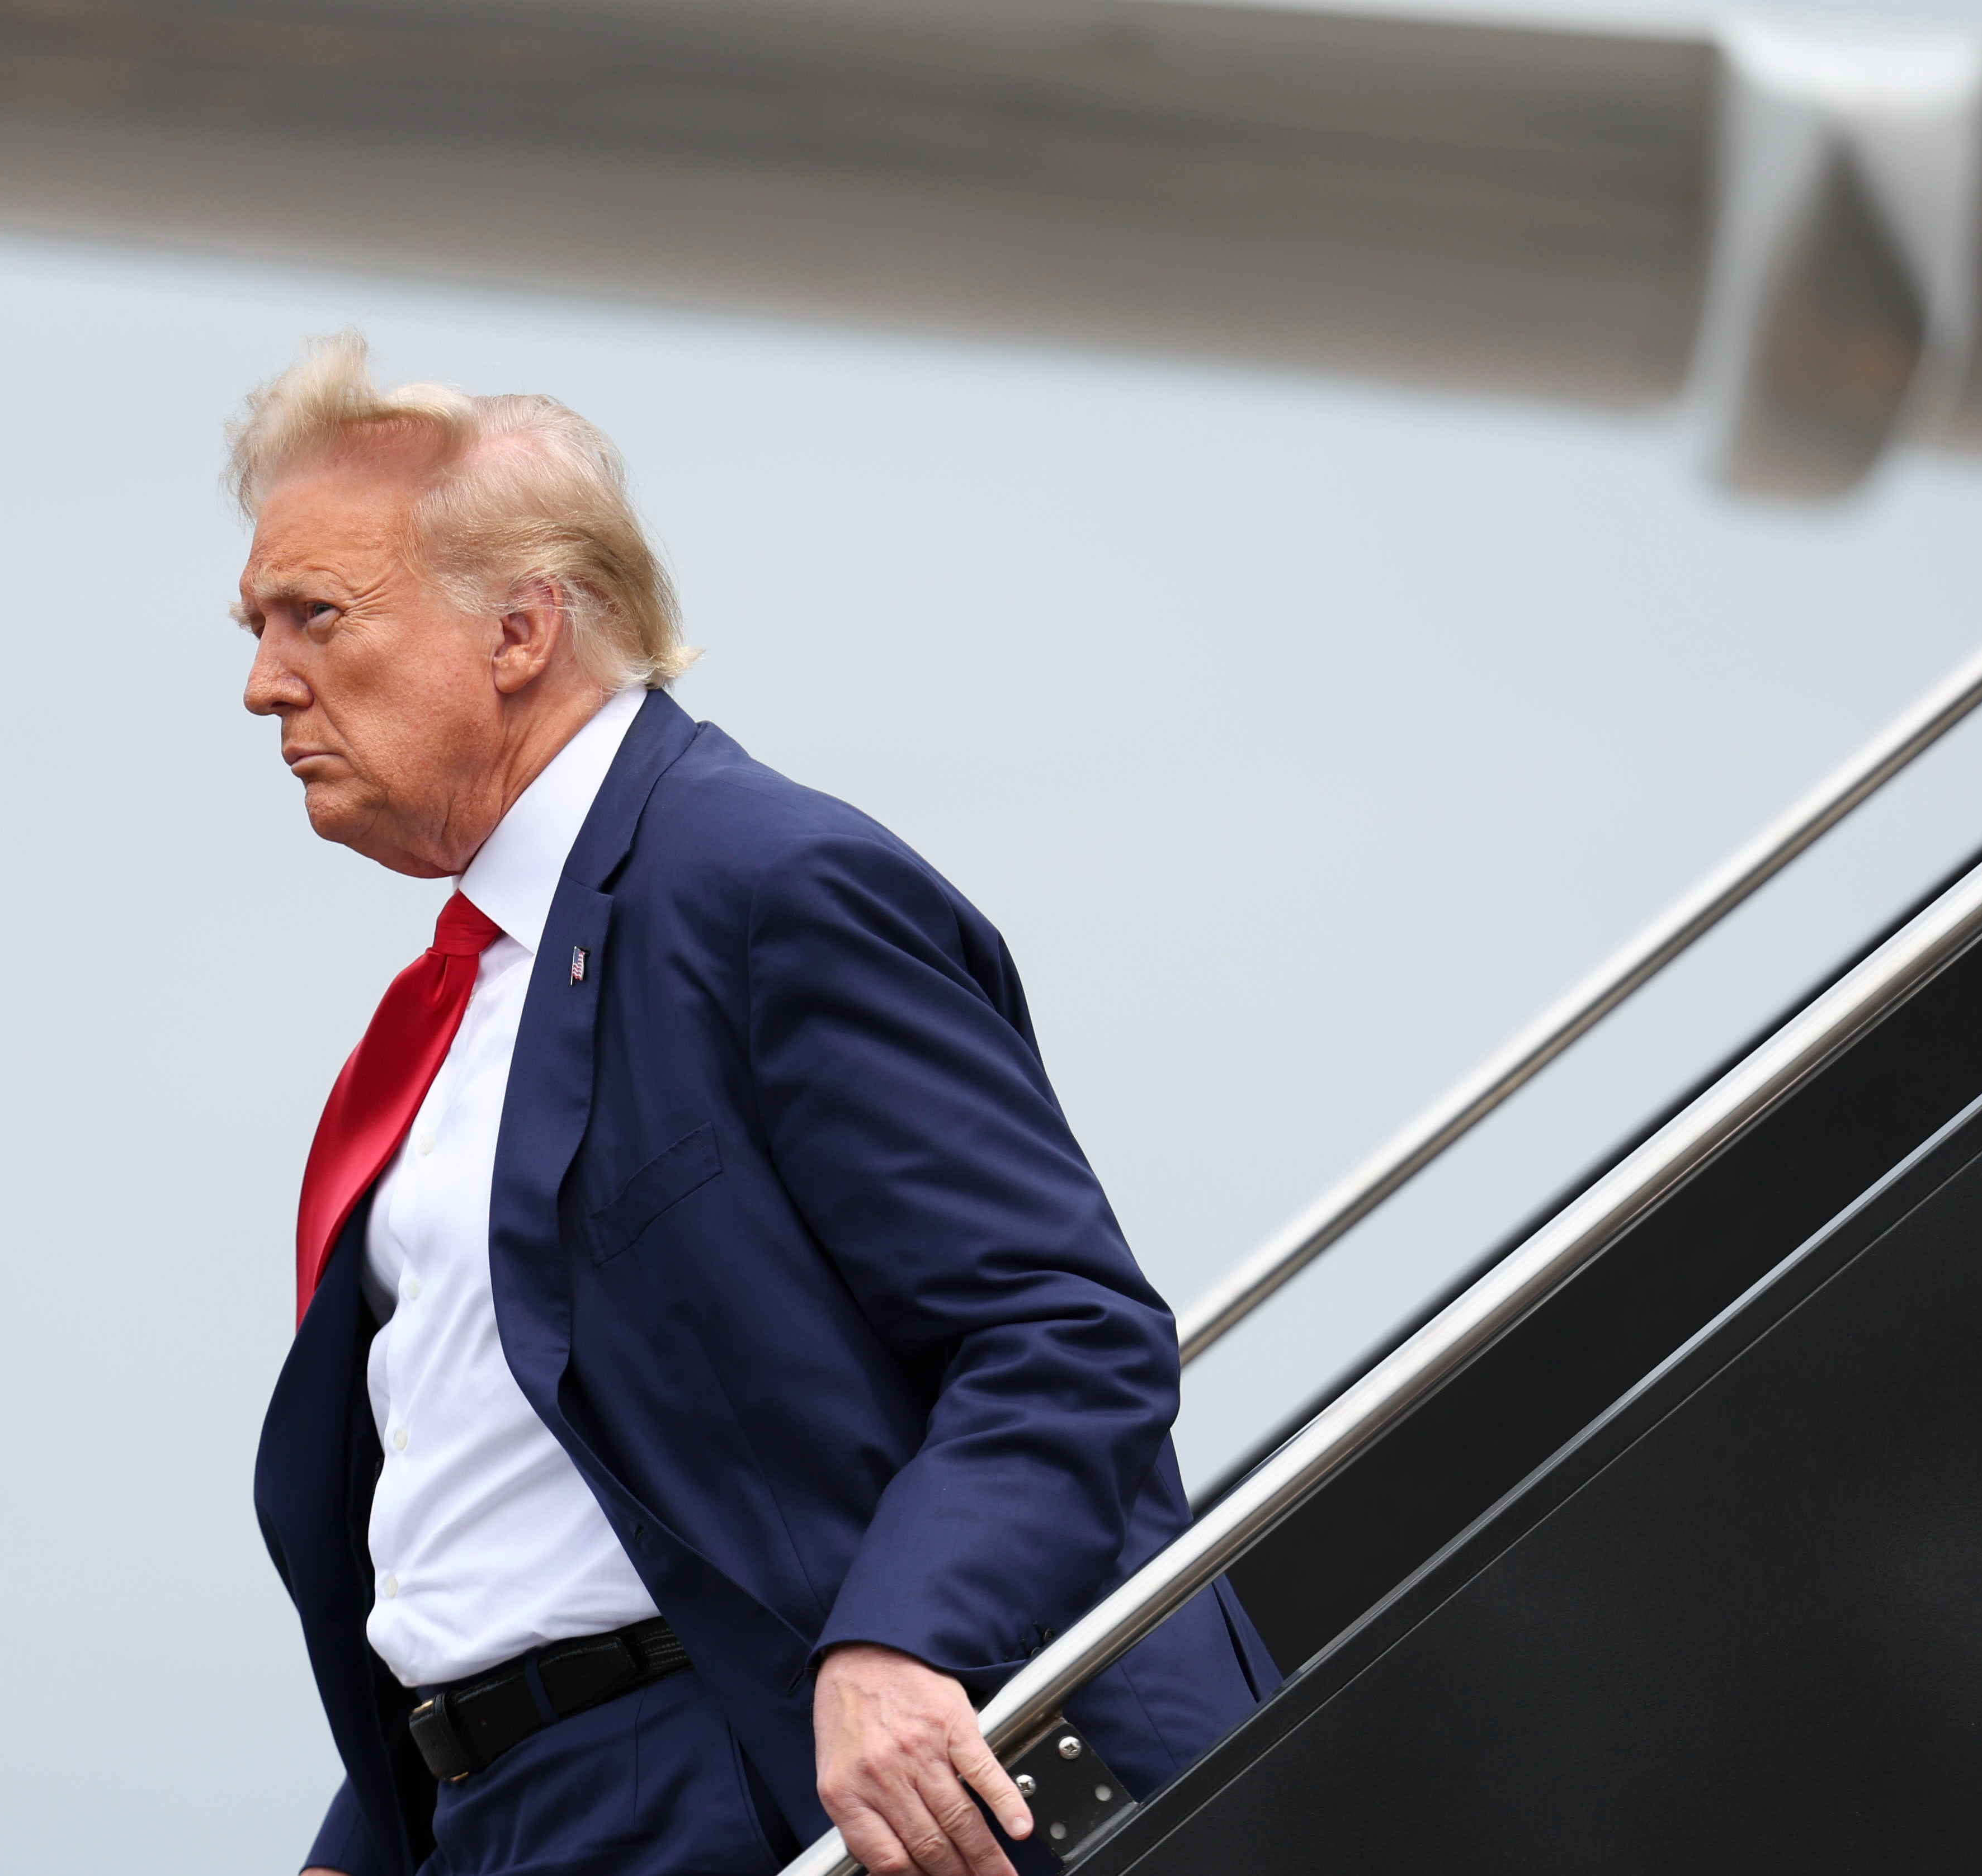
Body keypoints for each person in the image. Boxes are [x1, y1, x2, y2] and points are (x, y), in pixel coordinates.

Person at [232, 338, 1275, 1876]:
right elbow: (523, 1512)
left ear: (520, 629)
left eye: (314, 615)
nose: (263, 682)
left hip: (731, 1782)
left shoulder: (762, 882)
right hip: (511, 1817)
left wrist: (903, 1639)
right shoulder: (461, 1010)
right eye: (260, 626)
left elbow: (1067, 1328)